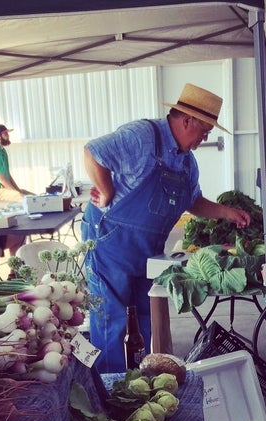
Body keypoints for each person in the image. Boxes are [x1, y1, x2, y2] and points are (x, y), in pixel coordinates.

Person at [81, 82, 251, 373]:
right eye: (205, 131)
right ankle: (110, 397)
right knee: (110, 323)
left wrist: (226, 212)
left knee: (144, 319)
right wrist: (105, 191)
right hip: (109, 245)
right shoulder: (143, 137)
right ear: (187, 121)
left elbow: (193, 200)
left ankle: (137, 381)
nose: (204, 138)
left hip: (146, 253)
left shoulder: (187, 163)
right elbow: (93, 153)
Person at [0, 124, 34, 208]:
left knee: (32, 196)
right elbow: (2, 179)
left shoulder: (2, 151)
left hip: (3, 188)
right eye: (5, 134)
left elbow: (7, 175)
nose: (8, 136)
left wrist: (18, 190)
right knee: (25, 199)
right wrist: (17, 193)